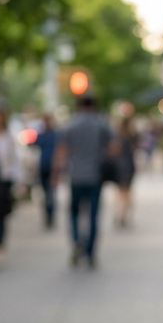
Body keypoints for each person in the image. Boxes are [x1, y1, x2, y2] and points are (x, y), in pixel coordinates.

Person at [53, 94, 114, 268]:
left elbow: (62, 151)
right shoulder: (100, 124)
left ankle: (77, 242)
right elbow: (113, 148)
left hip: (75, 175)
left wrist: (55, 174)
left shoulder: (71, 125)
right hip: (95, 175)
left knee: (74, 213)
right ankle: (90, 251)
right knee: (93, 215)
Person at [0, 106, 23, 266]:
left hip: (3, 179)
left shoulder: (7, 138)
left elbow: (14, 160)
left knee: (0, 215)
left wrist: (19, 182)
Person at [113, 104, 138, 227]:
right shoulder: (132, 132)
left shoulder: (117, 132)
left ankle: (120, 214)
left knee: (120, 191)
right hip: (128, 163)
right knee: (127, 191)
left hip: (120, 164)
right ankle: (124, 214)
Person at [36, 113, 59, 229]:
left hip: (53, 168)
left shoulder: (56, 135)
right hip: (43, 167)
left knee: (51, 193)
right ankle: (47, 214)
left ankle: (51, 215)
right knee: (46, 193)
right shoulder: (41, 135)